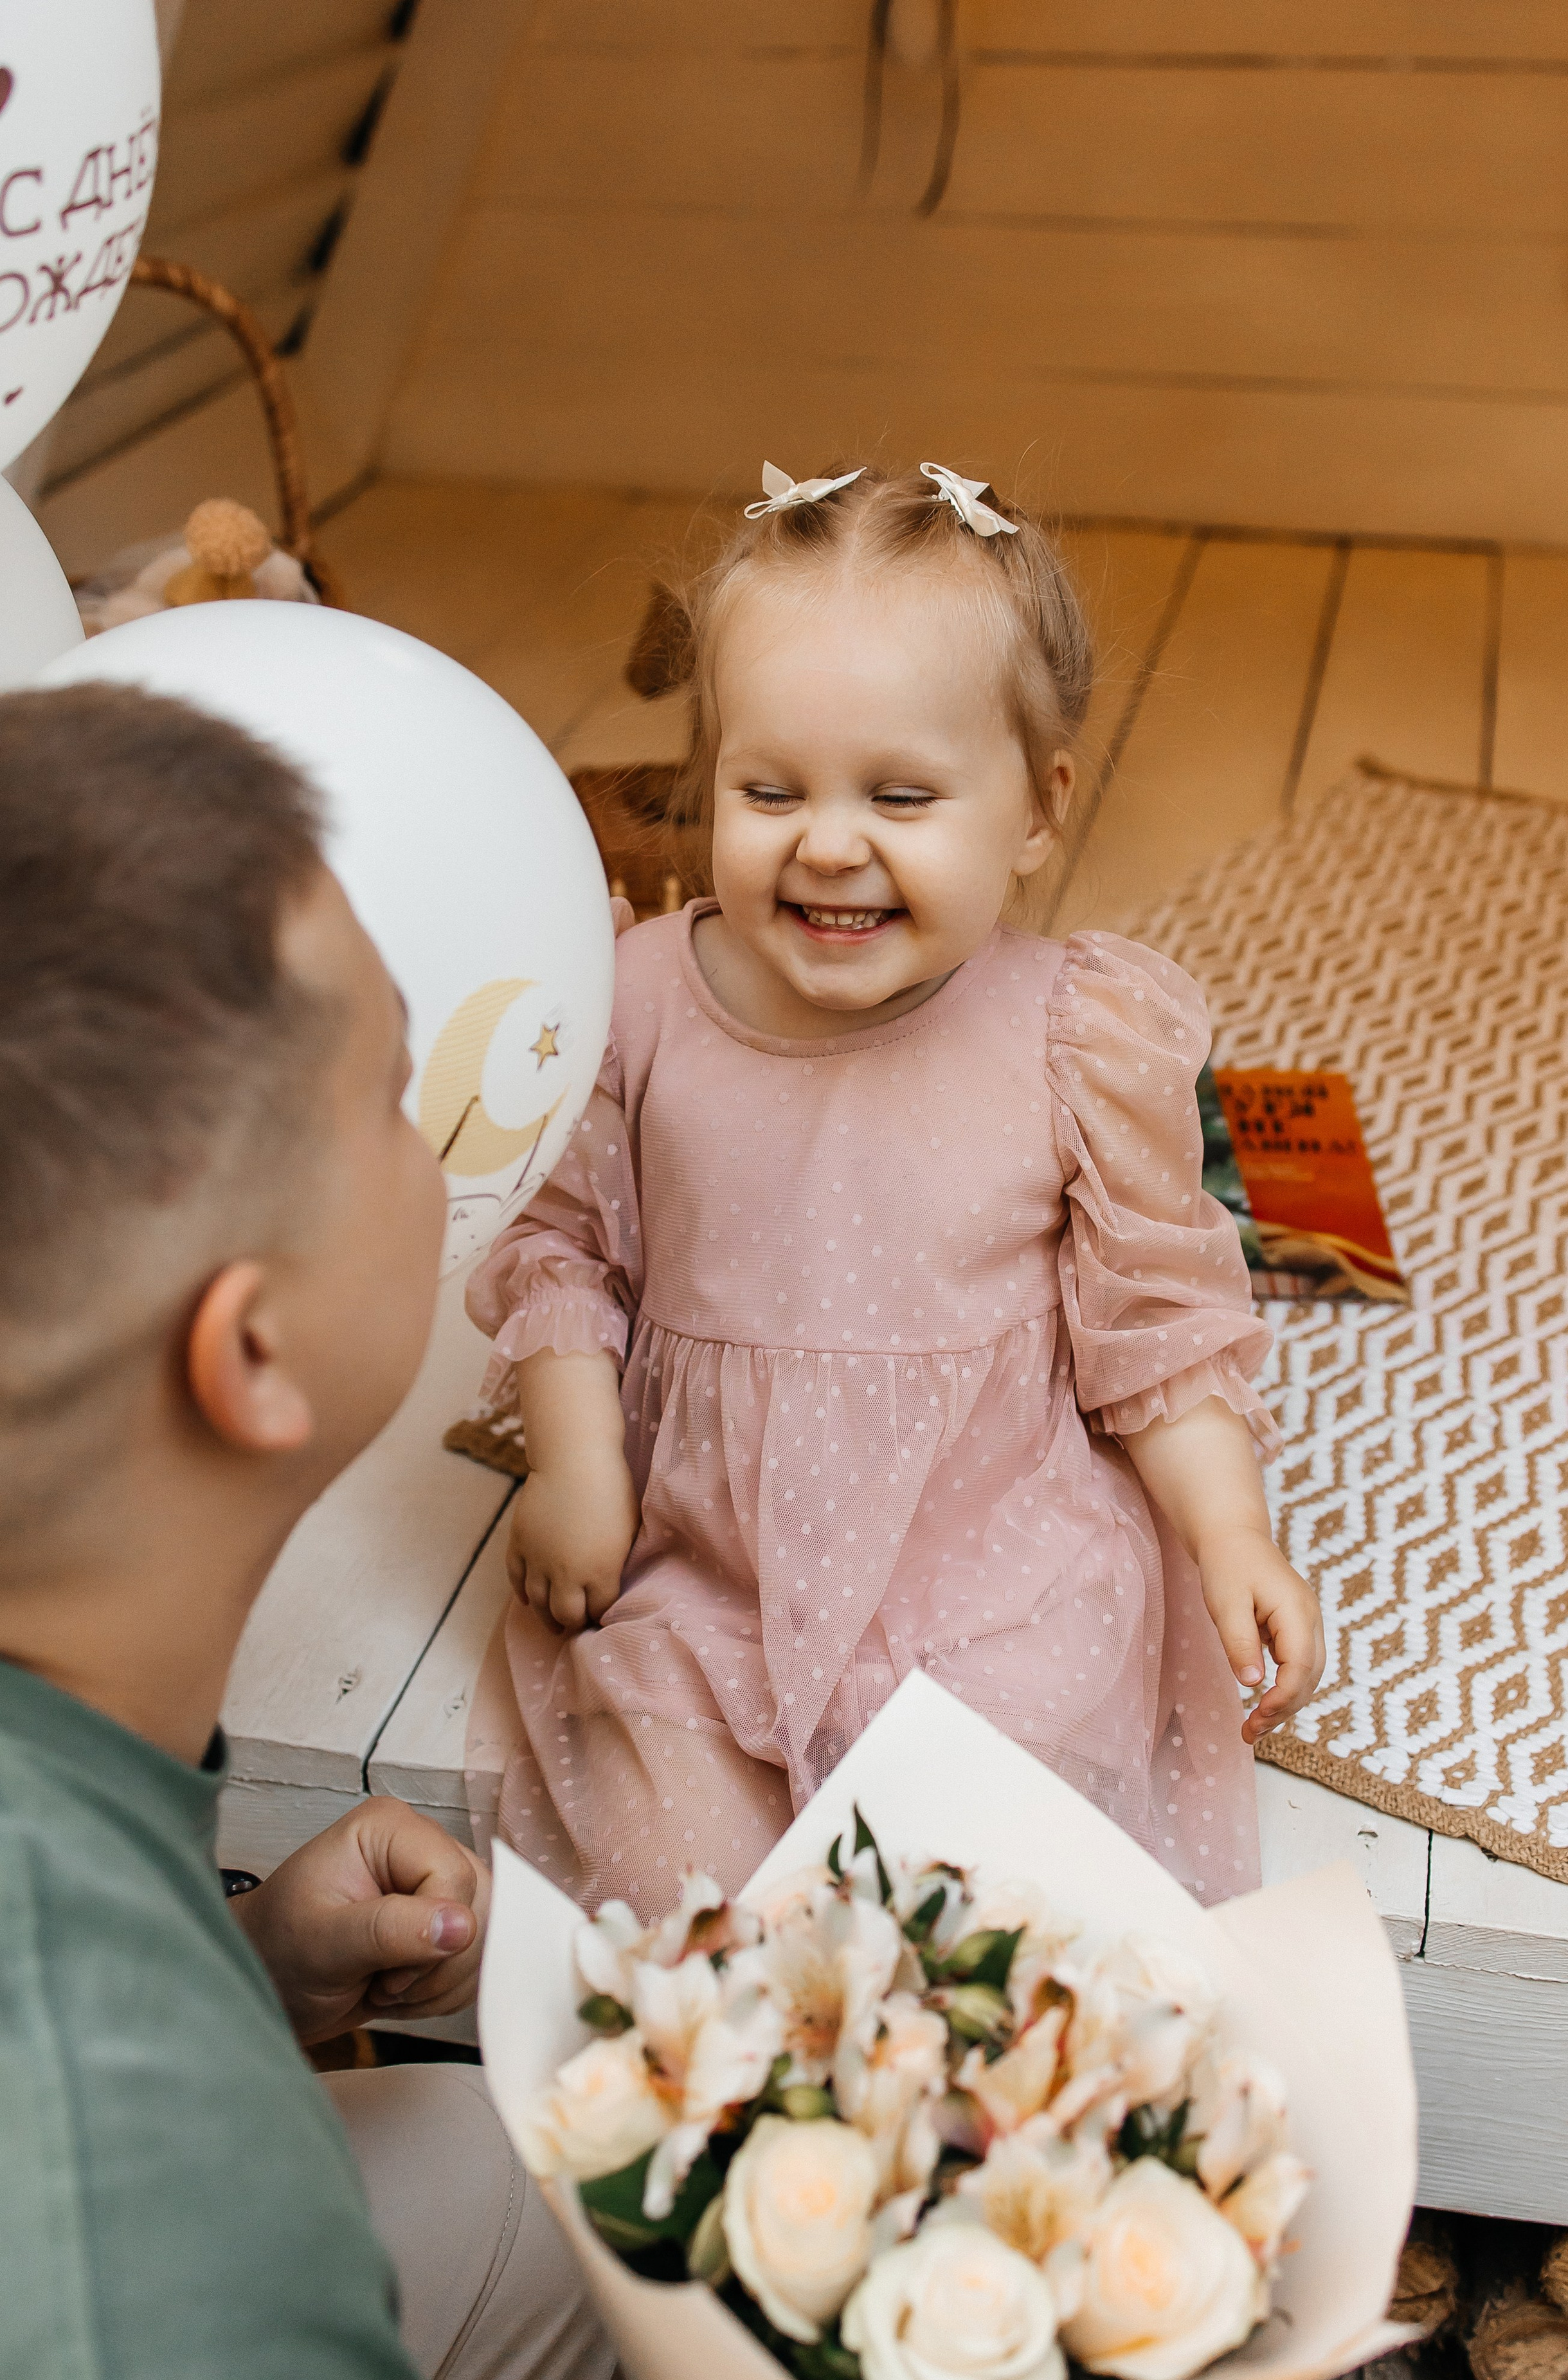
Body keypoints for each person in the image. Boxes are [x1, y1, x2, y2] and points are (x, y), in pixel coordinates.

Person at [469, 457, 1326, 1918]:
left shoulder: (1067, 1032)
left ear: (1037, 807)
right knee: (683, 1886)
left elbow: (1156, 1320)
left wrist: (1229, 1531)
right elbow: (560, 1250)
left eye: (902, 794)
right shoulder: (637, 1001)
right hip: (708, 1572)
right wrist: (575, 1467)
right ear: (709, 777)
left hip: (987, 1563)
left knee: (978, 1879)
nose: (827, 842)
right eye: (768, 788)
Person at [0, 686, 614, 2380]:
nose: (447, 1141)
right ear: (253, 1351)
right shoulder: (167, 2288)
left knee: (524, 2187)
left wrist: (243, 1971)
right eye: (399, 1090)